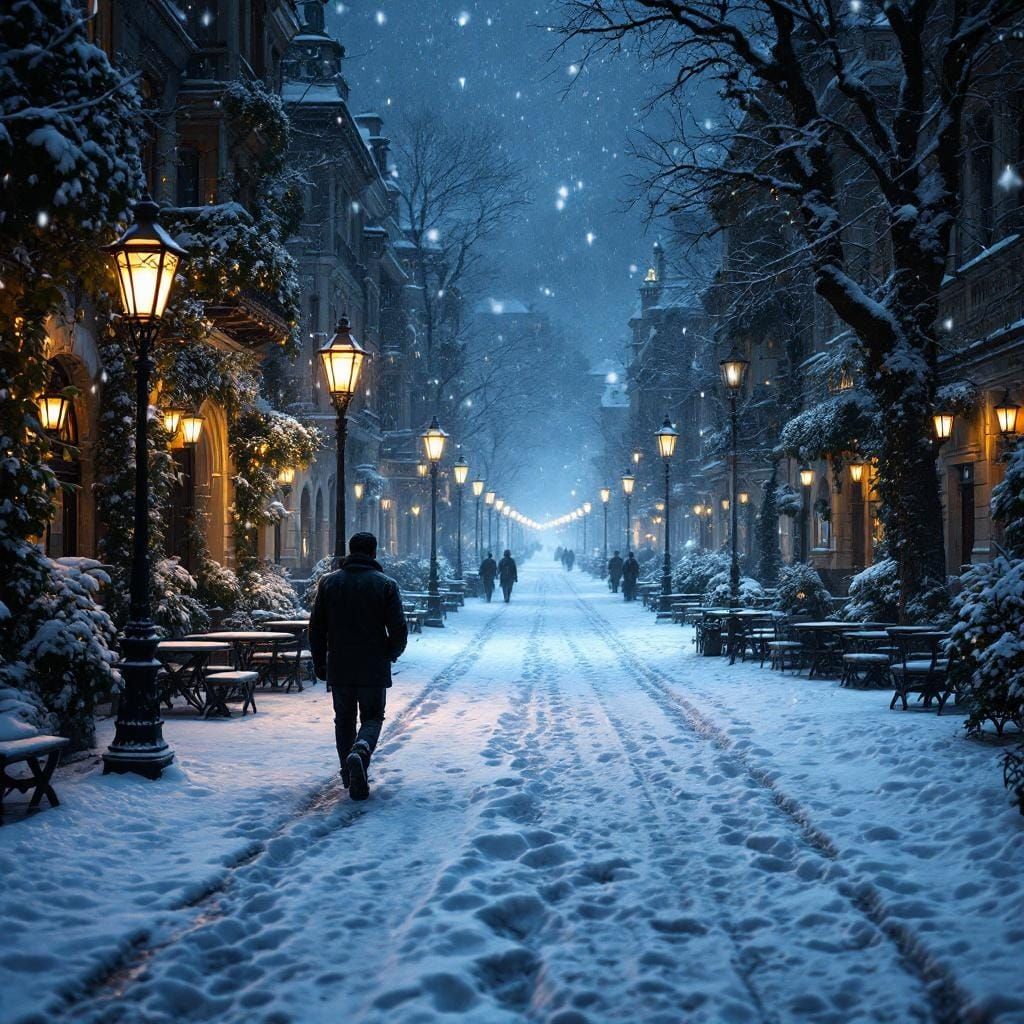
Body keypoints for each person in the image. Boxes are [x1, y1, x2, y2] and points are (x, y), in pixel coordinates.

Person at [309, 532, 408, 801]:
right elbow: (399, 629)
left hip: (340, 665)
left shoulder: (328, 584)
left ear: (350, 552)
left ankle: (348, 772)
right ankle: (361, 751)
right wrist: (390, 653)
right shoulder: (386, 585)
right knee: (373, 717)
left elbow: (316, 628)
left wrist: (320, 661)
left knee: (343, 720)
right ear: (374, 553)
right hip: (373, 666)